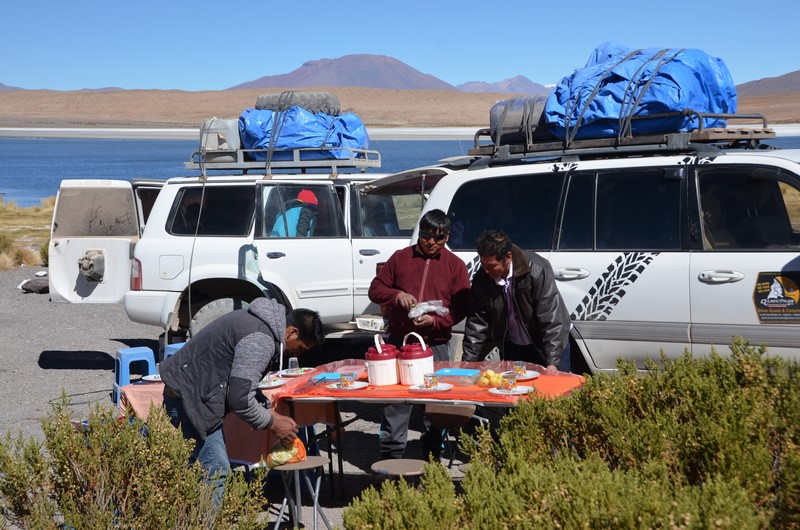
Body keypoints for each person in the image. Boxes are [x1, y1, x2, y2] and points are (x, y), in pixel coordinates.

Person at [159, 298, 324, 511]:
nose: (298, 354)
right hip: (189, 400)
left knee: (199, 470)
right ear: (292, 332)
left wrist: (268, 411)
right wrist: (273, 423)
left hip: (188, 394)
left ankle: (187, 518)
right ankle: (204, 523)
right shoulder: (260, 339)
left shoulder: (257, 324)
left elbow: (240, 385)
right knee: (215, 472)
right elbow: (240, 399)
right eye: (300, 348)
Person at [368, 209, 471, 459]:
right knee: (396, 401)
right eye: (426, 236)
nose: (431, 242)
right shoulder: (400, 258)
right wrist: (397, 295)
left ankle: (433, 455)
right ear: (419, 233)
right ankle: (391, 458)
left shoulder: (455, 265)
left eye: (439, 237)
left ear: (447, 237)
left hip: (436, 344)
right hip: (399, 342)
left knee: (434, 402)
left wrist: (435, 321)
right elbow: (375, 290)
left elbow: (462, 307)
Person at [463, 230, 570, 374]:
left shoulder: (537, 270)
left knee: (553, 386)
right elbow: (477, 322)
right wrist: (468, 363)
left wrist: (552, 362)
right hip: (513, 346)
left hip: (545, 345)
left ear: (508, 257)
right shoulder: (482, 279)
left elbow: (551, 317)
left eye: (492, 266)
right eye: (483, 265)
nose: (486, 271)